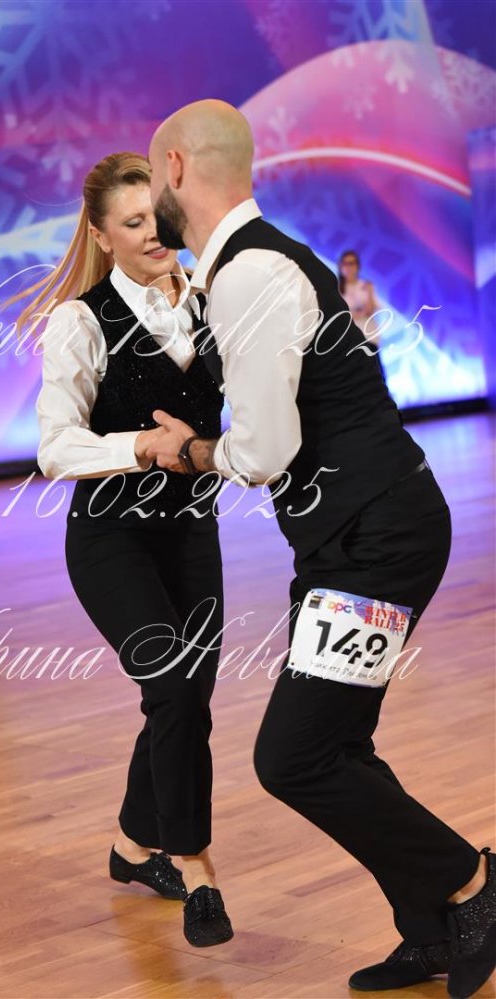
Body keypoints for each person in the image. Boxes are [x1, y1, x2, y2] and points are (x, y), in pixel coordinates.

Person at [145, 100, 495, 998]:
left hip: (376, 536)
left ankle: (473, 882)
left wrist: (186, 450)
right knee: (337, 743)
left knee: (294, 755)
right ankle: (433, 927)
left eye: (151, 177)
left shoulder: (249, 273)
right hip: (358, 534)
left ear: (176, 166)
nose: (152, 197)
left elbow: (261, 451)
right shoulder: (253, 265)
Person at [14, 151, 233, 947]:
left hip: (194, 533)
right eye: (133, 222)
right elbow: (54, 446)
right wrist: (140, 445)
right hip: (111, 539)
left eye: (158, 216)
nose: (152, 232)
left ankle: (133, 847)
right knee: (173, 689)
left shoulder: (211, 301)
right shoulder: (80, 321)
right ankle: (197, 867)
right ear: (103, 236)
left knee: (185, 700)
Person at [338, 249, 386, 379]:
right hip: (349, 340)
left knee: (376, 375)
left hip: (369, 336)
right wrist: (360, 312)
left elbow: (371, 309)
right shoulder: (337, 289)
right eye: (345, 264)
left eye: (351, 263)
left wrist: (369, 293)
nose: (348, 268)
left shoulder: (366, 286)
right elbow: (341, 315)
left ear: (357, 266)